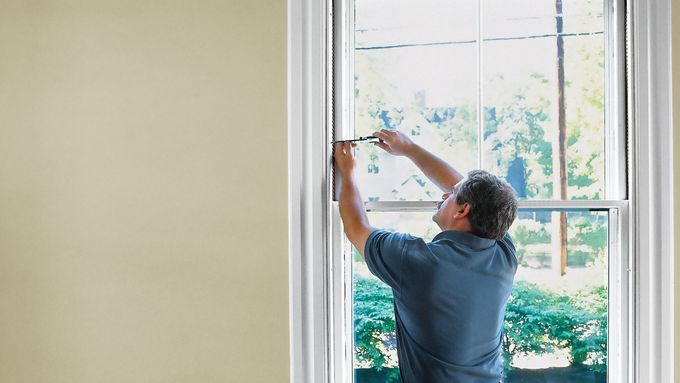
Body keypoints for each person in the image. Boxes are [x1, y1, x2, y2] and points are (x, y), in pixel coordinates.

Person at [334, 129, 519, 383]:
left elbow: (356, 228)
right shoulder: (504, 256)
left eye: (451, 195)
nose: (445, 194)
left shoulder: (419, 263)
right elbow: (481, 199)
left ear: (463, 209)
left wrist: (347, 172)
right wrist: (409, 149)